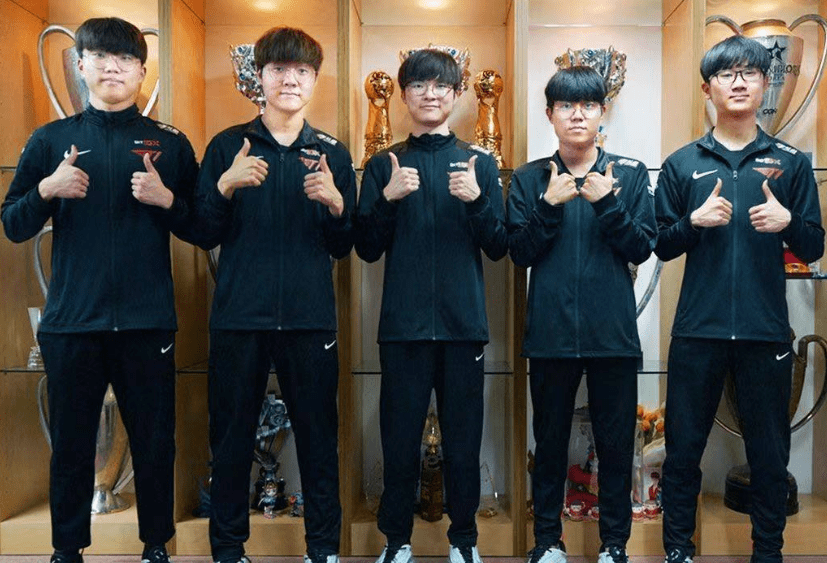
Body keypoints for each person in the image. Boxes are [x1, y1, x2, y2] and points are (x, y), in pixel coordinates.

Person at [1, 16, 199, 563]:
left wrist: (167, 201)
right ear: (81, 64)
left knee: (155, 444)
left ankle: (156, 544)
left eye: (126, 59)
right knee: (71, 447)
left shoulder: (169, 143)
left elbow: (206, 227)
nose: (113, 68)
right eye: (101, 57)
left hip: (147, 322)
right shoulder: (50, 140)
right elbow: (13, 223)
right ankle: (67, 549)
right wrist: (47, 188)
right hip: (72, 324)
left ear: (142, 71)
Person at [654, 35, 824, 563]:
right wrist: (693, 222)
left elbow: (814, 245)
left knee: (769, 457)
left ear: (764, 84)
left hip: (764, 331)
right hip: (697, 332)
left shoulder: (791, 163)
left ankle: (767, 553)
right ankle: (678, 551)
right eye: (726, 74)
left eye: (750, 72)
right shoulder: (682, 163)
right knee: (683, 453)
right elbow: (659, 243)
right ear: (707, 88)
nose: (739, 82)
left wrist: (788, 222)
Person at [194, 27, 355, 563]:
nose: (291, 79)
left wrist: (337, 204)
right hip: (239, 318)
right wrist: (225, 185)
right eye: (279, 69)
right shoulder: (227, 146)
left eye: (302, 71)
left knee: (318, 439)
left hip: (310, 321)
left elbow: (345, 245)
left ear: (314, 80)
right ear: (258, 76)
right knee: (230, 439)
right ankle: (228, 550)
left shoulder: (331, 152)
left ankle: (323, 549)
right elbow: (203, 232)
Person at [355, 48, 508, 563]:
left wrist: (478, 200)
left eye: (441, 85)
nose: (430, 94)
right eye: (419, 85)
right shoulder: (384, 164)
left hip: (464, 328)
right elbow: (366, 248)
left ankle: (463, 541)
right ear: (403, 95)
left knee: (464, 444)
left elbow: (499, 246)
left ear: (457, 94)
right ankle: (396, 541)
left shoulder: (480, 163)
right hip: (403, 328)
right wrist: (388, 198)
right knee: (398, 442)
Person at [507, 66, 656, 563]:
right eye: (566, 106)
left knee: (615, 447)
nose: (577, 115)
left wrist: (608, 204)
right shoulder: (530, 178)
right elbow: (519, 253)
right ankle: (547, 541)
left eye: (588, 105)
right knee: (549, 445)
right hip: (550, 335)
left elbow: (643, 246)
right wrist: (549, 206)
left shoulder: (630, 173)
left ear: (602, 112)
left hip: (612, 335)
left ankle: (615, 545)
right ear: (550, 114)